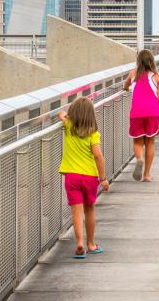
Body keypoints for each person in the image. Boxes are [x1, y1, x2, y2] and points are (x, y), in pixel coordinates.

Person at [58, 97, 110, 258]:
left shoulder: (68, 126)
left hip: (71, 176)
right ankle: (91, 244)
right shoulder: (93, 133)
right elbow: (98, 155)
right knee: (89, 209)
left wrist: (67, 116)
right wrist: (103, 178)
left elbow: (61, 114)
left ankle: (80, 242)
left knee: (76, 211)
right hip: (89, 177)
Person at [124, 49, 159, 182]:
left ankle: (139, 159)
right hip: (153, 113)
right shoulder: (156, 77)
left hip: (136, 112)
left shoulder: (133, 74)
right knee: (150, 142)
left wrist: (127, 88)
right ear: (151, 62)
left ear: (138, 62)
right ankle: (147, 174)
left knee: (137, 141)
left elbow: (125, 86)